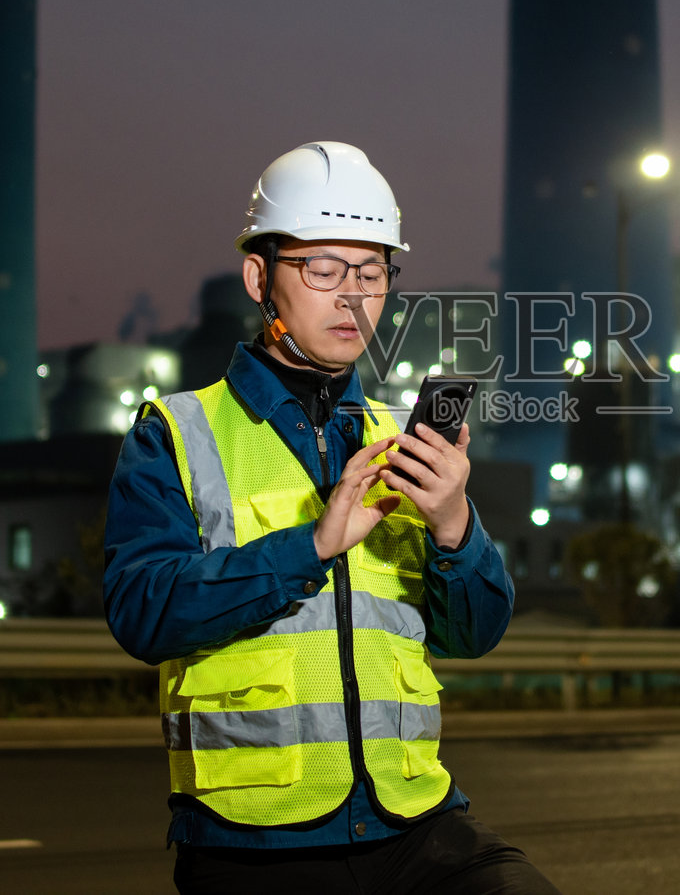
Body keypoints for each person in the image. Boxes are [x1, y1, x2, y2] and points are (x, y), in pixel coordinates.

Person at [102, 141, 559, 894]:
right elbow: (143, 612)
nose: (353, 297)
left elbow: (473, 634)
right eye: (323, 268)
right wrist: (312, 545)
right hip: (257, 841)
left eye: (372, 271)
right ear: (260, 278)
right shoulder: (177, 433)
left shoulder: (398, 436)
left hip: (414, 820)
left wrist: (454, 524)